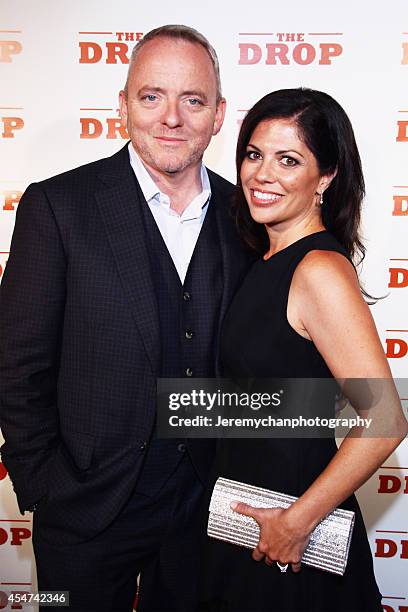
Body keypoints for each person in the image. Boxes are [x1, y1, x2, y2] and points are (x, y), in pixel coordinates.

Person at [0, 25, 252, 612]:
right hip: (83, 512)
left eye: (192, 100)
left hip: (205, 509)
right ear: (122, 107)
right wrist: (47, 486)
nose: (171, 117)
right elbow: (17, 364)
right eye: (151, 96)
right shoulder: (57, 206)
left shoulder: (247, 219)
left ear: (218, 116)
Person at [198, 88, 408, 611]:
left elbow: (385, 418)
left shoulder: (318, 270)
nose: (262, 174)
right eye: (253, 154)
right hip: (245, 524)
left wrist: (296, 522)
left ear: (326, 177)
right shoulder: (266, 259)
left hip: (291, 538)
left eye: (288, 160)